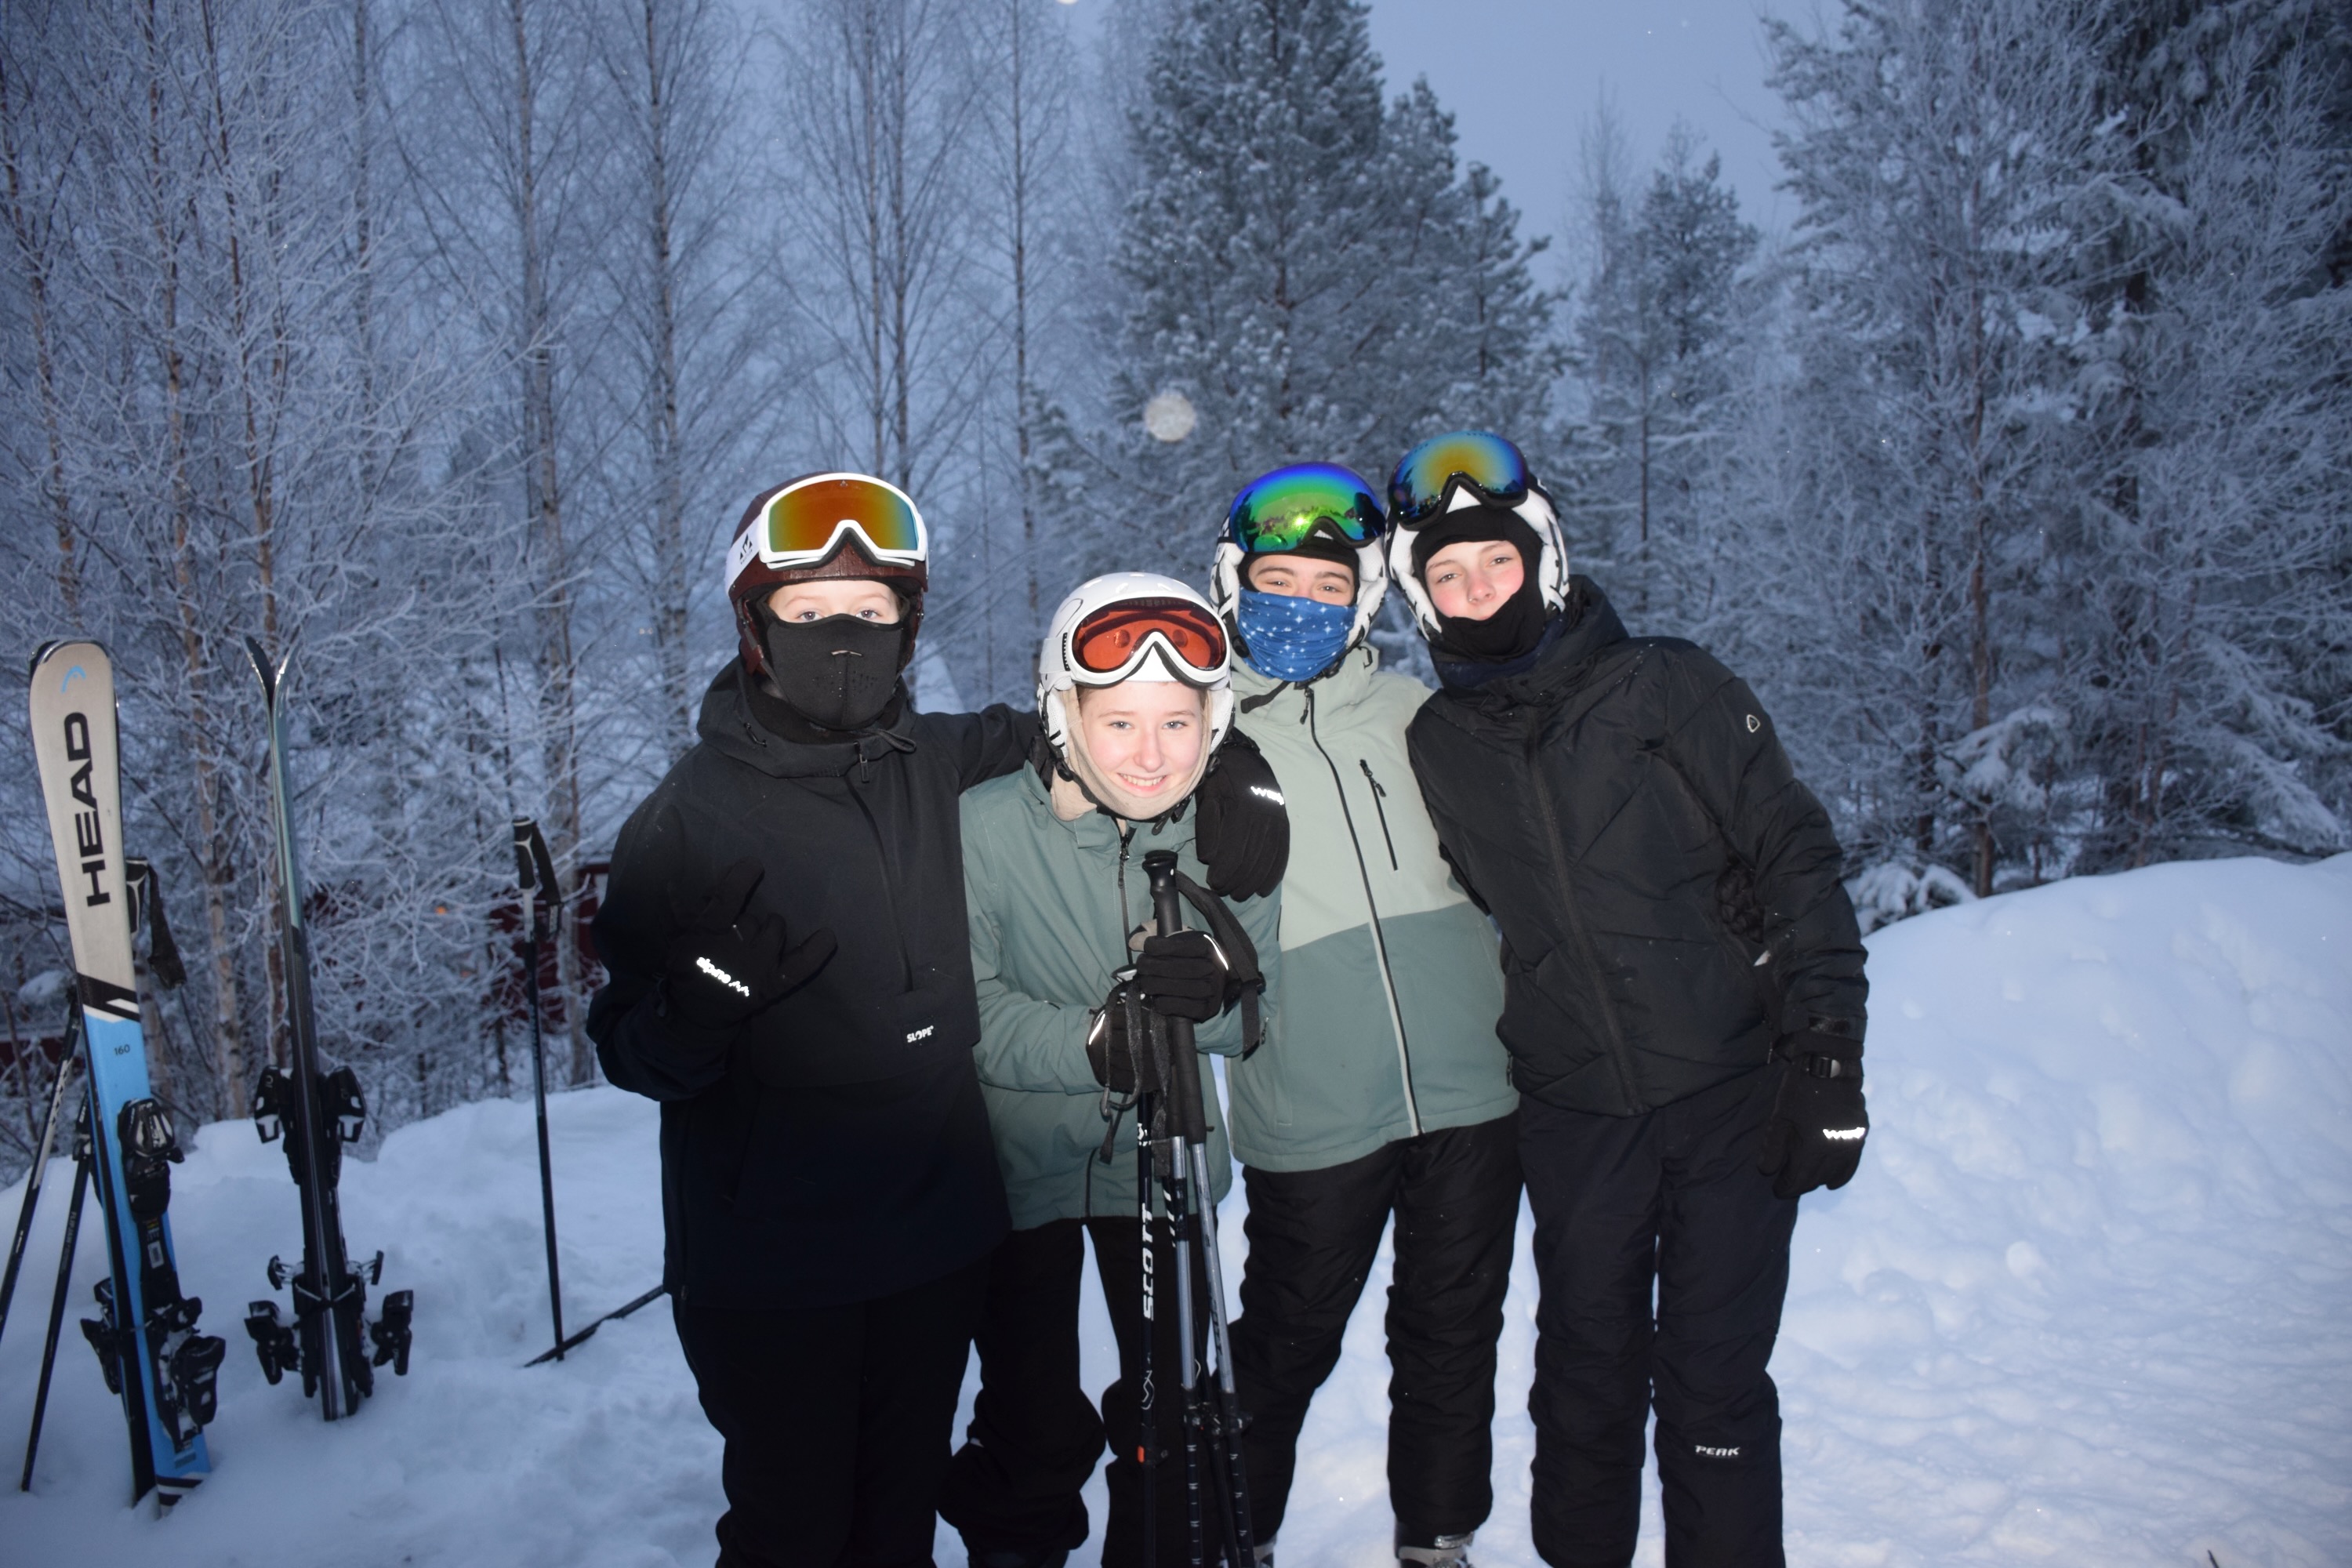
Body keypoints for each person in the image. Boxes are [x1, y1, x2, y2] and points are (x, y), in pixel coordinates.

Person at [586, 477, 1285, 1568]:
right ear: (754, 628)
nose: (845, 639)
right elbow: (630, 1052)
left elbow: (1097, 731)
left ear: (907, 626)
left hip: (931, 1241)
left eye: (871, 612)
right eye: (812, 614)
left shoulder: (937, 758)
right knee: (796, 1531)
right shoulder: (684, 820)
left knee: (898, 1517)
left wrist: (1235, 764)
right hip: (773, 1259)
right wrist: (698, 1004)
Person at [1385, 432, 1871, 1568]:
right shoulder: (1437, 743)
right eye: (1445, 578)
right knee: (1585, 1379)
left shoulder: (1669, 684)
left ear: (1543, 561)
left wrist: (1827, 1055)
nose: (1473, 591)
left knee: (1710, 1383)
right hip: (1574, 1111)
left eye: (1492, 564)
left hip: (1727, 1094)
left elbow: (1795, 860)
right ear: (1423, 601)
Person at [1203, 463, 1520, 1568]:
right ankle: (1231, 1536)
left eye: (1324, 585)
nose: (1300, 603)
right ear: (1235, 585)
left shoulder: (1419, 712)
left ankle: (1438, 1537)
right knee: (1284, 1342)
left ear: (1364, 597)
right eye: (1275, 579)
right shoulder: (1200, 731)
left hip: (1473, 1088)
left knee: (1451, 1334)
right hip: (1313, 1099)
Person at [938, 572, 1283, 1568]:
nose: (1150, 752)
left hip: (1165, 1162)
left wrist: (1215, 994)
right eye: (1120, 719)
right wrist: (1090, 1042)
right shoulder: (990, 827)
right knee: (1031, 1417)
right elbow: (970, 1005)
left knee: (1166, 1410)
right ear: (1065, 711)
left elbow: (1252, 1013)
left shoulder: (1228, 828)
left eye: (1178, 721)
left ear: (1212, 720)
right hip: (1020, 1171)